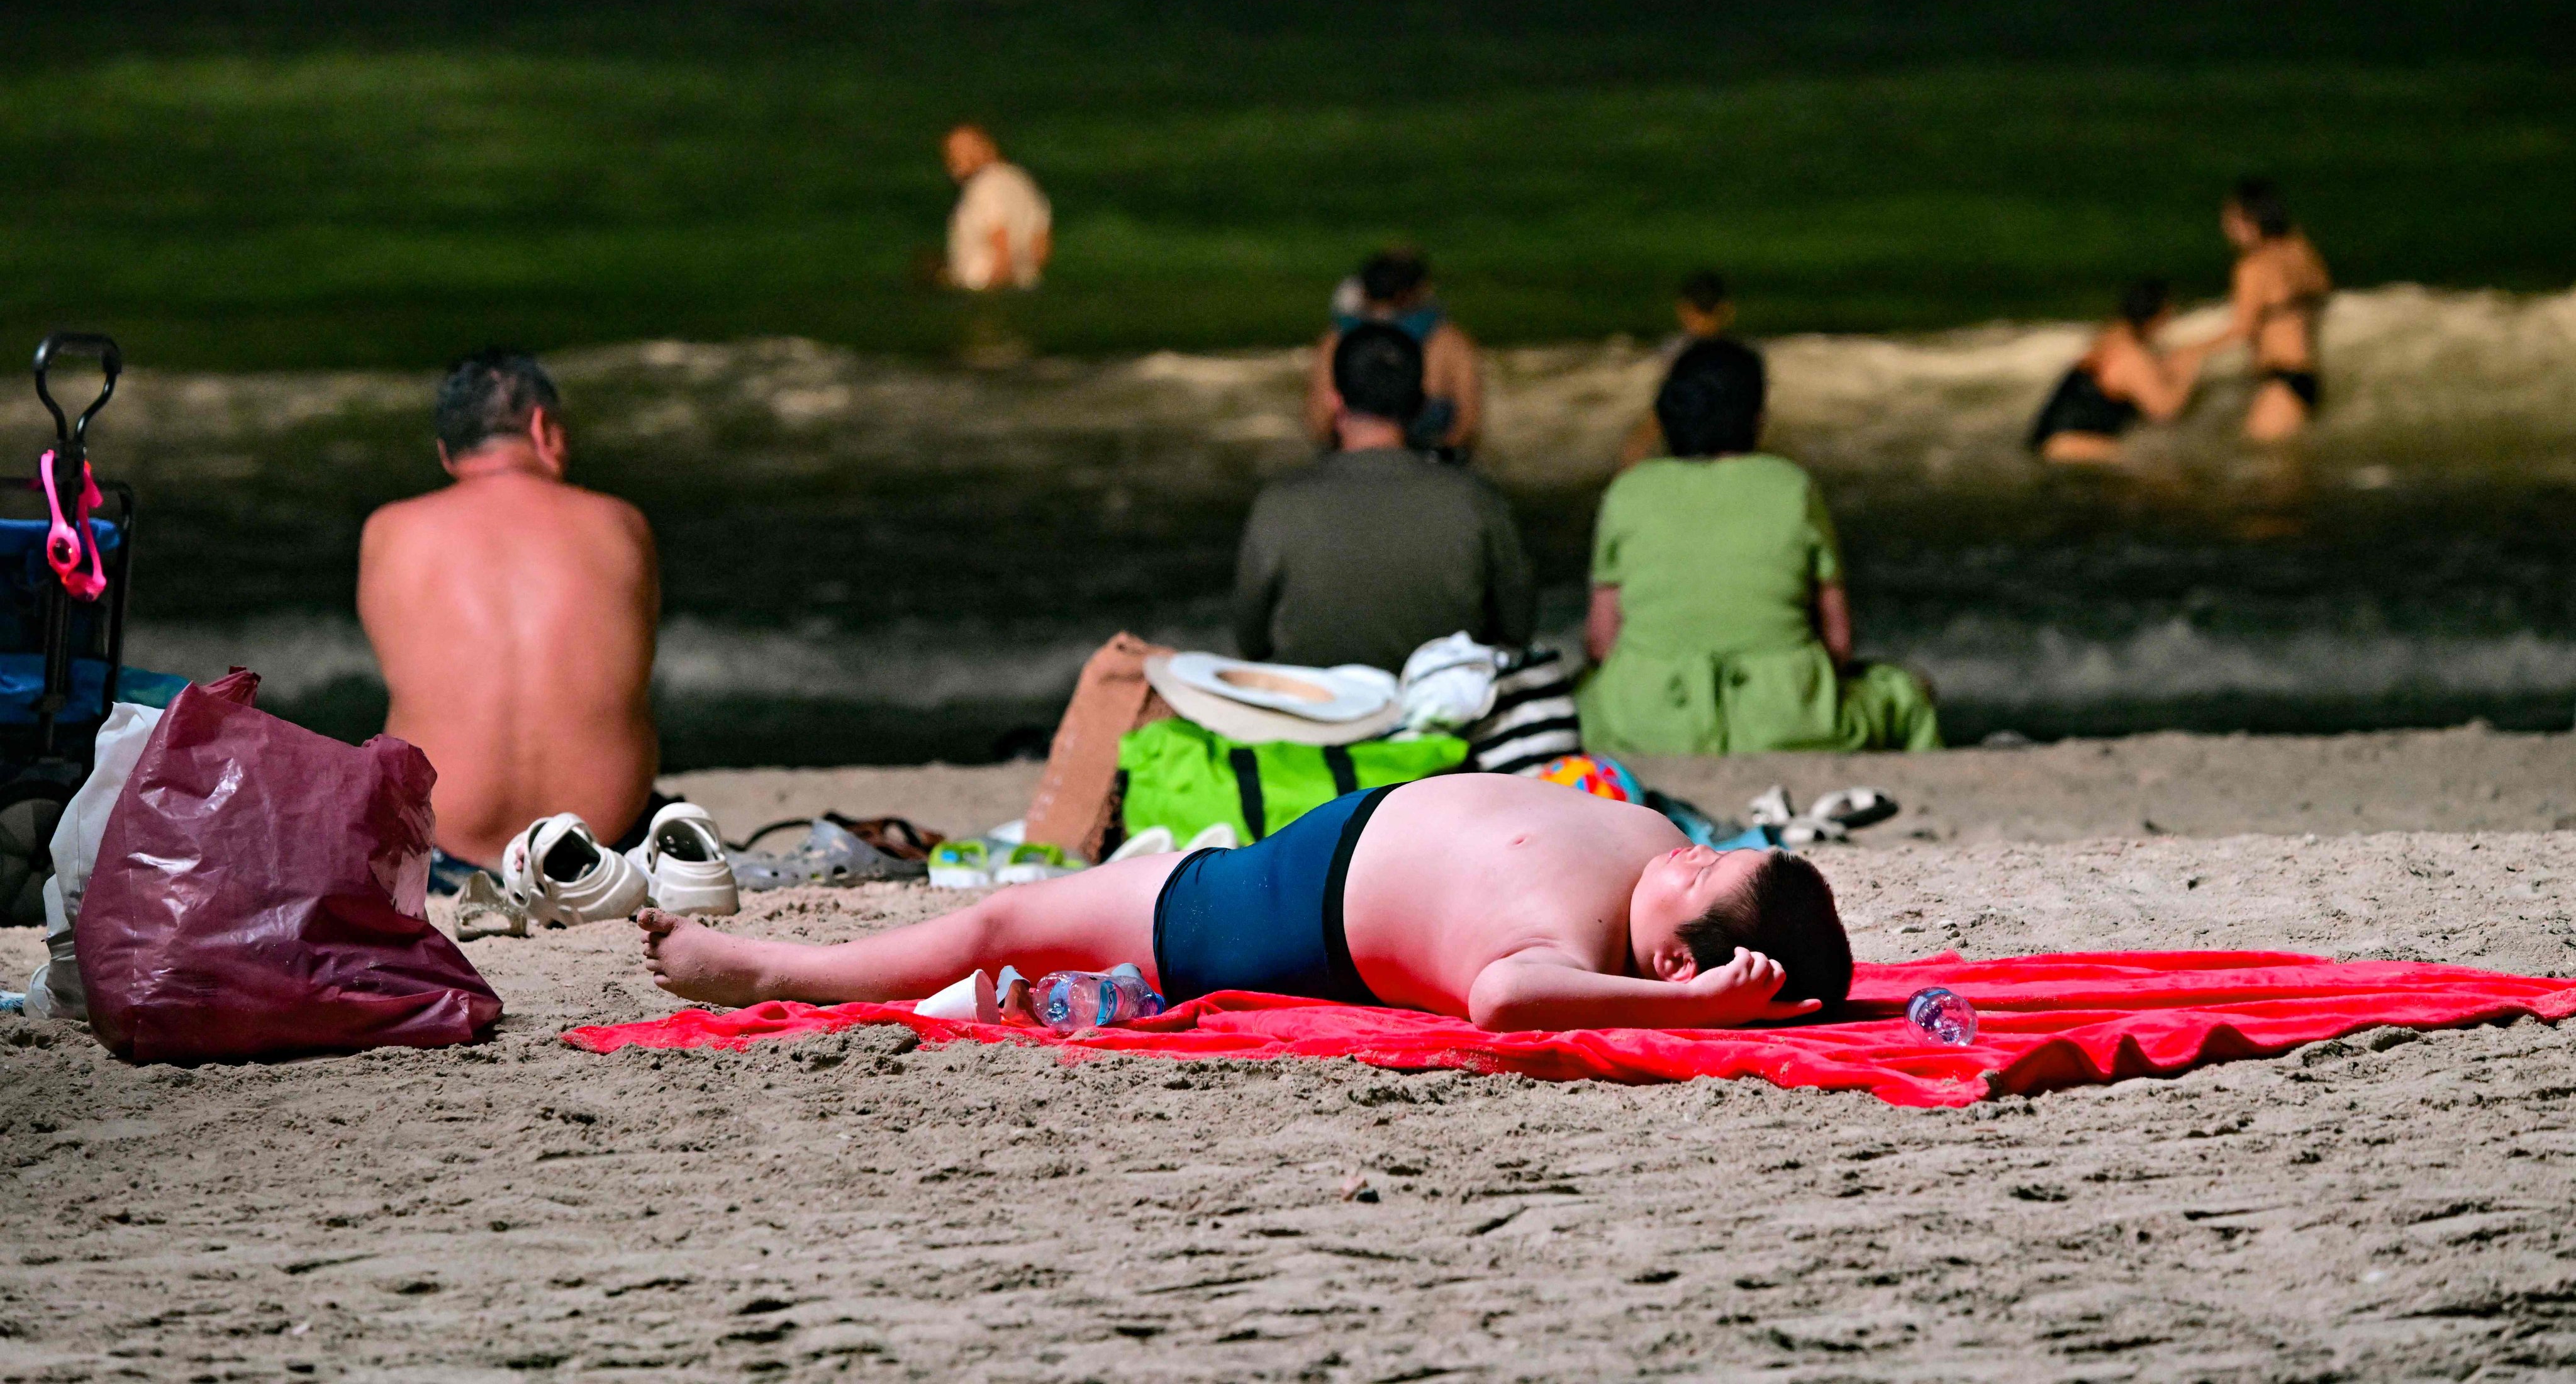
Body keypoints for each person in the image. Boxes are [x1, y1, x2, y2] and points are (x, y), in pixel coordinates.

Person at [638, 771, 1852, 1031]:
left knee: (1003, 918)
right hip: (1303, 851)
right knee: (1024, 919)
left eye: (1704, 876)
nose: (1689, 853)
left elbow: (1502, 1001)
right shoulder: (1646, 839)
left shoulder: (1573, 947)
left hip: (1282, 917)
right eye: (1715, 850)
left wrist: (1702, 1020)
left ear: (1681, 965)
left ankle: (756, 968)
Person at [358, 350, 661, 869]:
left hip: (439, 849)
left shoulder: (391, 532)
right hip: (599, 849)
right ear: (545, 430)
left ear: (447, 454)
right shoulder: (620, 524)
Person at [1578, 338, 1938, 755]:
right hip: (1787, 717)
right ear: (1755, 415)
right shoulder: (1790, 486)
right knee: (1905, 696)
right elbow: (1838, 642)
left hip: (1648, 720)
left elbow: (1602, 644)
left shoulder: (1629, 491)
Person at [1238, 323, 1534, 673]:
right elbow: (1516, 629)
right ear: (1421, 402)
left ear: (1335, 398)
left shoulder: (1279, 504)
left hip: (1316, 717)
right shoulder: (1476, 499)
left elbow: (1251, 641)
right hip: (1441, 717)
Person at [1302, 247, 1483, 455]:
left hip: (1355, 460)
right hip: (1429, 466)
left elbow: (1319, 422)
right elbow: (1468, 421)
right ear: (1418, 291)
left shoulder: (1337, 340)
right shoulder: (1449, 341)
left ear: (1364, 290)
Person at [2028, 279, 2212, 462]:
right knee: (2155, 466)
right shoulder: (2131, 354)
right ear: (2159, 315)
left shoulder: (2107, 338)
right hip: (2075, 446)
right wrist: (2188, 369)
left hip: (2048, 442)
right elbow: (2164, 411)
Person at [2216, 177, 2331, 440]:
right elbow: (2322, 286)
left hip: (2281, 381)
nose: (2227, 228)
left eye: (2232, 220)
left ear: (2250, 221)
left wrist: (2192, 352)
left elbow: (2242, 330)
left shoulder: (2251, 268)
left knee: (2265, 473)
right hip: (2307, 377)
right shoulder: (2298, 249)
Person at [1619, 269, 1736, 469]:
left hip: (1689, 453)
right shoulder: (1743, 355)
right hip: (1729, 454)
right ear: (1726, 310)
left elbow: (1668, 406)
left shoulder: (1677, 350)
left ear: (1685, 310)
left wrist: (1636, 449)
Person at [940, 124, 1052, 291]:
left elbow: (1001, 239)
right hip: (1026, 287)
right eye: (952, 151)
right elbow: (1041, 248)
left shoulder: (985, 185)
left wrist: (995, 293)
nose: (955, 159)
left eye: (964, 149)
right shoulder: (1022, 181)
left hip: (985, 288)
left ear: (988, 147)